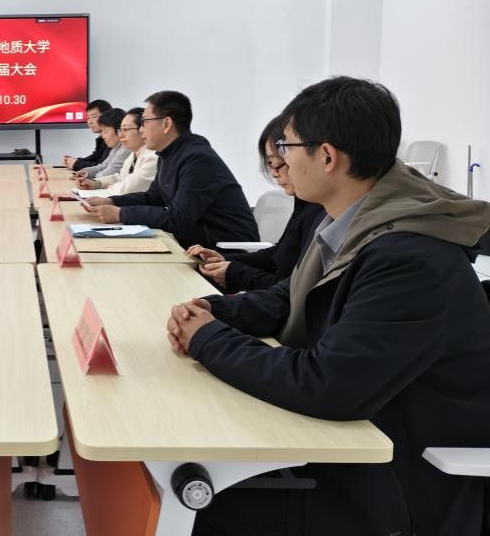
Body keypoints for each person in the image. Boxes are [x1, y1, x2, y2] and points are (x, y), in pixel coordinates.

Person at [167, 77, 490, 536]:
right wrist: (215, 312)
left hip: (396, 482)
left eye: (287, 145)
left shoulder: (409, 257)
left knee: (192, 508)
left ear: (327, 157)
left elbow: (327, 384)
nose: (281, 159)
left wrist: (208, 340)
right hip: (347, 446)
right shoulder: (351, 223)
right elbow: (294, 296)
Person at [86, 91, 259, 247]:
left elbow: (179, 217)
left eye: (144, 122)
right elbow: (153, 197)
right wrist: (112, 202)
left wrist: (120, 214)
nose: (141, 129)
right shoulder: (168, 154)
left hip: (226, 252)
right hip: (196, 245)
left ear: (166, 123)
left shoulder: (197, 158)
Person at [186, 114, 325, 292]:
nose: (274, 173)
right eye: (270, 163)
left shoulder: (322, 211)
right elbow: (279, 255)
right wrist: (225, 260)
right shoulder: (305, 202)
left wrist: (236, 273)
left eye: (279, 162)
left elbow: (292, 292)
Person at [77, 107, 157, 196]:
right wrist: (96, 183)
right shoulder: (134, 154)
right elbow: (120, 177)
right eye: (120, 130)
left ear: (142, 130)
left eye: (126, 129)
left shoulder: (152, 156)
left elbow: (129, 188)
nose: (121, 135)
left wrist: (110, 187)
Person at [74, 107, 129, 181]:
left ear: (119, 131)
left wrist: (90, 178)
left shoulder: (125, 149)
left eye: (106, 132)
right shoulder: (116, 148)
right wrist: (87, 172)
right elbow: (103, 166)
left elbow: (109, 173)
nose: (103, 136)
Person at [63, 99, 111, 170]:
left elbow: (102, 165)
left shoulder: (113, 137)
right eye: (88, 118)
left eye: (94, 117)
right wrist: (76, 161)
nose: (90, 122)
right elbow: (96, 156)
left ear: (106, 116)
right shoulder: (102, 136)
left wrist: (76, 164)